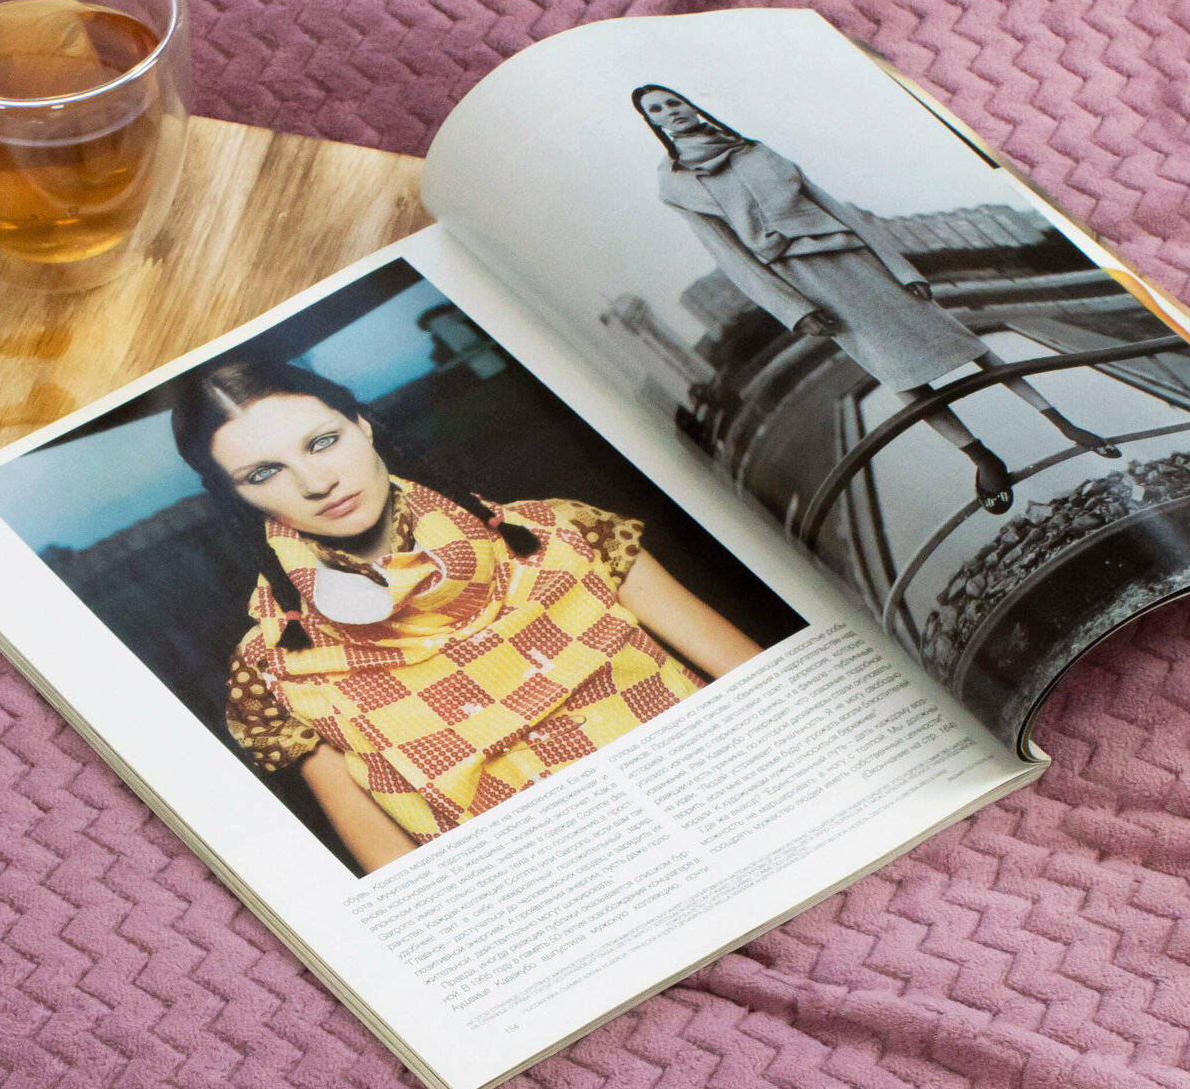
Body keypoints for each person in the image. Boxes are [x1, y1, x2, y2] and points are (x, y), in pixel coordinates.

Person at [169, 356, 761, 872]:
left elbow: (759, 684)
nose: (317, 481)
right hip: (561, 903)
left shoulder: (558, 532)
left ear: (361, 424)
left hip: (735, 808)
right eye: (264, 473)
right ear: (237, 496)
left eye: (322, 442)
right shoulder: (276, 666)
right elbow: (401, 878)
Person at [630, 84, 1119, 513]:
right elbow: (732, 257)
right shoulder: (676, 185)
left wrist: (902, 269)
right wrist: (796, 310)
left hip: (858, 259)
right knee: (896, 372)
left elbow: (837, 209)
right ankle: (981, 456)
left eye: (674, 102)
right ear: (655, 124)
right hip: (810, 284)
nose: (671, 111)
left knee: (965, 343)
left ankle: (1063, 422)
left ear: (691, 105)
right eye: (657, 110)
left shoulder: (757, 151)